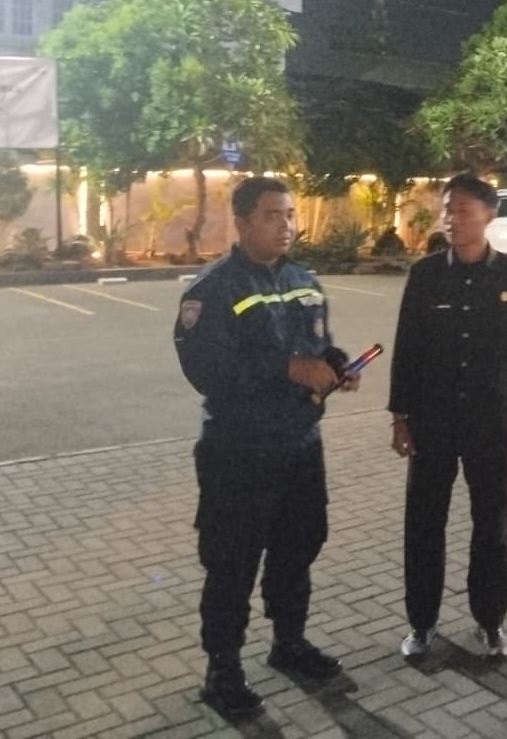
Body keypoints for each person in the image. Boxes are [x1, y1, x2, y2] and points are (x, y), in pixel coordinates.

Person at [174, 176, 360, 719]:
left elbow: (315, 347)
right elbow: (207, 369)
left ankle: (289, 642)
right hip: (239, 450)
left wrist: (335, 364)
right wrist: (288, 368)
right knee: (232, 562)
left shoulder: (304, 281)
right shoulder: (213, 289)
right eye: (273, 215)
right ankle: (222, 670)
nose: (286, 225)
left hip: (300, 444)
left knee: (298, 548)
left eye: (291, 214)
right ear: (242, 222)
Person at [388, 173, 507, 660]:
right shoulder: (425, 275)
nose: (451, 219)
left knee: (492, 525)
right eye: (447, 210)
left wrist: (496, 382)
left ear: (488, 215)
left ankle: (490, 620)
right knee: (423, 523)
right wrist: (400, 415)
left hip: (490, 422)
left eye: (462, 210)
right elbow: (407, 348)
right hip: (432, 420)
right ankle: (422, 623)